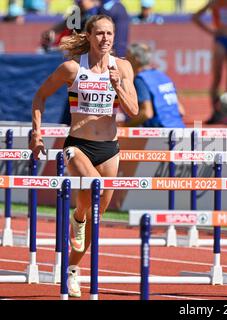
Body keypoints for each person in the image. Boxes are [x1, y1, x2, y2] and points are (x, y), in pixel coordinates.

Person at [29, 14, 138, 298]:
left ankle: (72, 270)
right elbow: (40, 97)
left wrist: (117, 85)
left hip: (109, 149)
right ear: (89, 36)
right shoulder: (72, 68)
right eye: (100, 33)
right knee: (93, 188)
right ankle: (78, 214)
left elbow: (134, 110)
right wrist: (37, 134)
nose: (105, 39)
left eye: (110, 34)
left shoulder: (123, 68)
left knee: (97, 218)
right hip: (77, 144)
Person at [125, 43, 186, 127]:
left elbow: (147, 113)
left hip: (162, 133)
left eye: (128, 57)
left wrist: (125, 127)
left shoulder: (140, 79)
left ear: (136, 59)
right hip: (181, 130)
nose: (125, 60)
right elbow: (181, 111)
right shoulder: (163, 76)